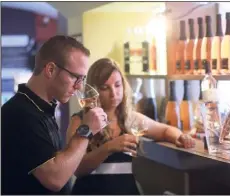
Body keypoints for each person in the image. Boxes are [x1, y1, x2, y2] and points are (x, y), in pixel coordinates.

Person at [67, 58, 196, 195]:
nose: (114, 94)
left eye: (117, 85)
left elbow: (165, 130)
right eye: (105, 88)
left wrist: (180, 137)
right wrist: (109, 147)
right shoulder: (80, 121)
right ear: (93, 91)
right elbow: (77, 169)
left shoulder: (131, 119)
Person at [1, 35, 108, 195]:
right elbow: (55, 179)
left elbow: (56, 161)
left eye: (82, 79)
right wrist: (86, 130)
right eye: (75, 77)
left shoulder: (41, 109)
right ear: (50, 69)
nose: (79, 87)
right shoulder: (21, 113)